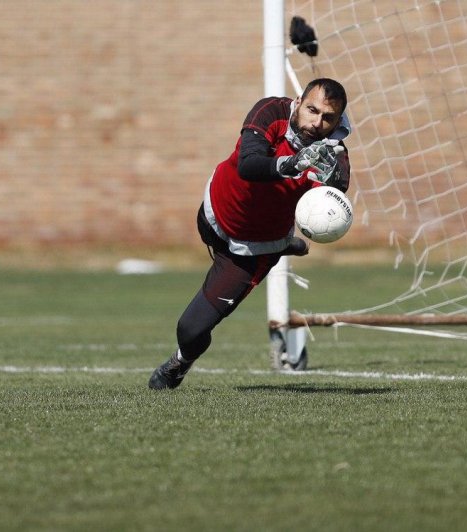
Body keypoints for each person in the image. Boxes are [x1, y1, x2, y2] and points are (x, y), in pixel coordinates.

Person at [149, 78, 352, 390]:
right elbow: (248, 165)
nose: (317, 122)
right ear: (298, 102)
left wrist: (333, 190)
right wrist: (292, 164)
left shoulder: (334, 156)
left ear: (338, 122)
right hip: (215, 212)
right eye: (312, 110)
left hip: (253, 249)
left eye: (328, 118)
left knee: (189, 330)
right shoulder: (271, 111)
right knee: (216, 220)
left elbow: (331, 204)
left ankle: (180, 362)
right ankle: (289, 244)